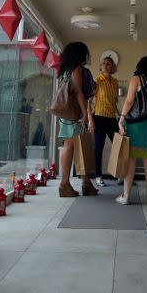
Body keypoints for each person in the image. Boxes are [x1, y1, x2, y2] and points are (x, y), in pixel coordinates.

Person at [56, 41, 99, 198]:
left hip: (67, 114)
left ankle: (83, 183)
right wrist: (85, 114)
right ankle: (64, 184)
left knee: (74, 146)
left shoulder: (66, 69)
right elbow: (80, 93)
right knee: (71, 145)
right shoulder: (77, 69)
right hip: (75, 114)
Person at [116, 56, 147, 205]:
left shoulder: (136, 79)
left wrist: (121, 118)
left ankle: (126, 196)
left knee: (130, 160)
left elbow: (129, 101)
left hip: (135, 125)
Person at [92, 55, 119, 186]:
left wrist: (120, 117)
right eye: (103, 63)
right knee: (98, 148)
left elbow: (114, 102)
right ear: (100, 67)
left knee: (120, 146)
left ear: (112, 67)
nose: (106, 65)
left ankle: (120, 174)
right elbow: (88, 101)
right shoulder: (97, 81)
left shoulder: (115, 82)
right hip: (99, 118)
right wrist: (90, 119)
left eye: (109, 64)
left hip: (112, 119)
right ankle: (98, 177)